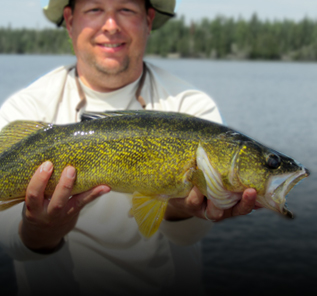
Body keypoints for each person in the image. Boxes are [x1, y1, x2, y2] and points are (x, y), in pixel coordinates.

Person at [0, 1, 258, 295]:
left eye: (126, 9)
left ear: (148, 20)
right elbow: (11, 241)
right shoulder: (25, 107)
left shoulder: (191, 107)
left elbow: (186, 238)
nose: (111, 25)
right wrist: (40, 229)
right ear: (70, 21)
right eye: (95, 9)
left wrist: (179, 208)